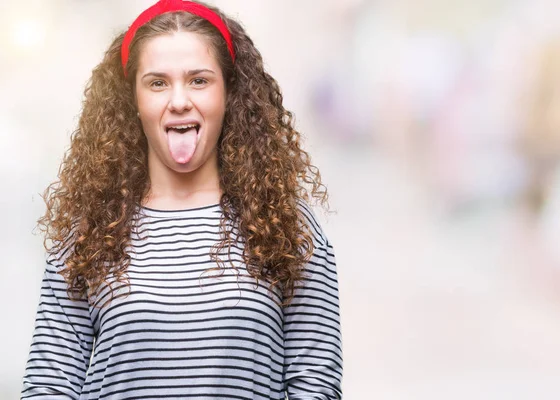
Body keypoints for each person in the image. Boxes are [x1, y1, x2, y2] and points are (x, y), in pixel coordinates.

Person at [20, 0, 343, 398]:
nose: (178, 101)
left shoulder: (287, 229)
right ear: (133, 101)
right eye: (157, 82)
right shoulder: (88, 235)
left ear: (230, 94)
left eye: (198, 80)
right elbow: (49, 387)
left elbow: (316, 386)